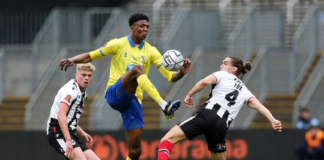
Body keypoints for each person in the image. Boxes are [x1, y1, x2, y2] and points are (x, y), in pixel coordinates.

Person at [59, 13, 191, 160]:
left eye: (147, 27)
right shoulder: (118, 44)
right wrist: (72, 59)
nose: (146, 29)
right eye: (142, 26)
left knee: (135, 151)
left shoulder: (151, 51)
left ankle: (163, 107)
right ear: (132, 28)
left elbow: (171, 77)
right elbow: (90, 56)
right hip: (115, 93)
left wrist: (181, 73)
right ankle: (164, 105)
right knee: (137, 69)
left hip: (133, 101)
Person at [157, 56, 282, 160]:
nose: (221, 65)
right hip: (221, 125)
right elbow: (259, 106)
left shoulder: (223, 74)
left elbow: (205, 82)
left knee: (167, 140)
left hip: (207, 115)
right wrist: (273, 120)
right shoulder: (244, 90)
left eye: (225, 63)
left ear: (233, 69)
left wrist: (189, 94)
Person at [46, 63, 100, 160]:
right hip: (57, 131)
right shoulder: (71, 90)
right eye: (83, 75)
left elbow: (70, 118)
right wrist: (68, 140)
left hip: (70, 132)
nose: (86, 78)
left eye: (89, 75)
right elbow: (61, 115)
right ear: (76, 75)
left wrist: (82, 133)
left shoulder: (83, 93)